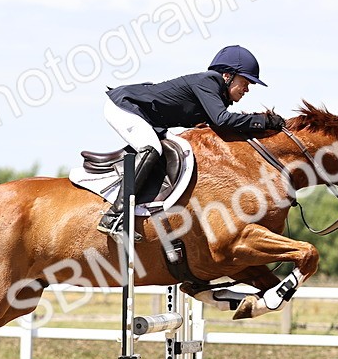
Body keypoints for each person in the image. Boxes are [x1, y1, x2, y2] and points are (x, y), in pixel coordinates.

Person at [97, 44, 286, 237]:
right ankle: (114, 216)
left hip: (146, 116)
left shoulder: (215, 92)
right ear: (227, 75)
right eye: (245, 82)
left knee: (177, 148)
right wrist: (262, 121)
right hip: (124, 107)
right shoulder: (209, 82)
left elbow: (219, 125)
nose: (247, 89)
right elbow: (222, 120)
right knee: (152, 148)